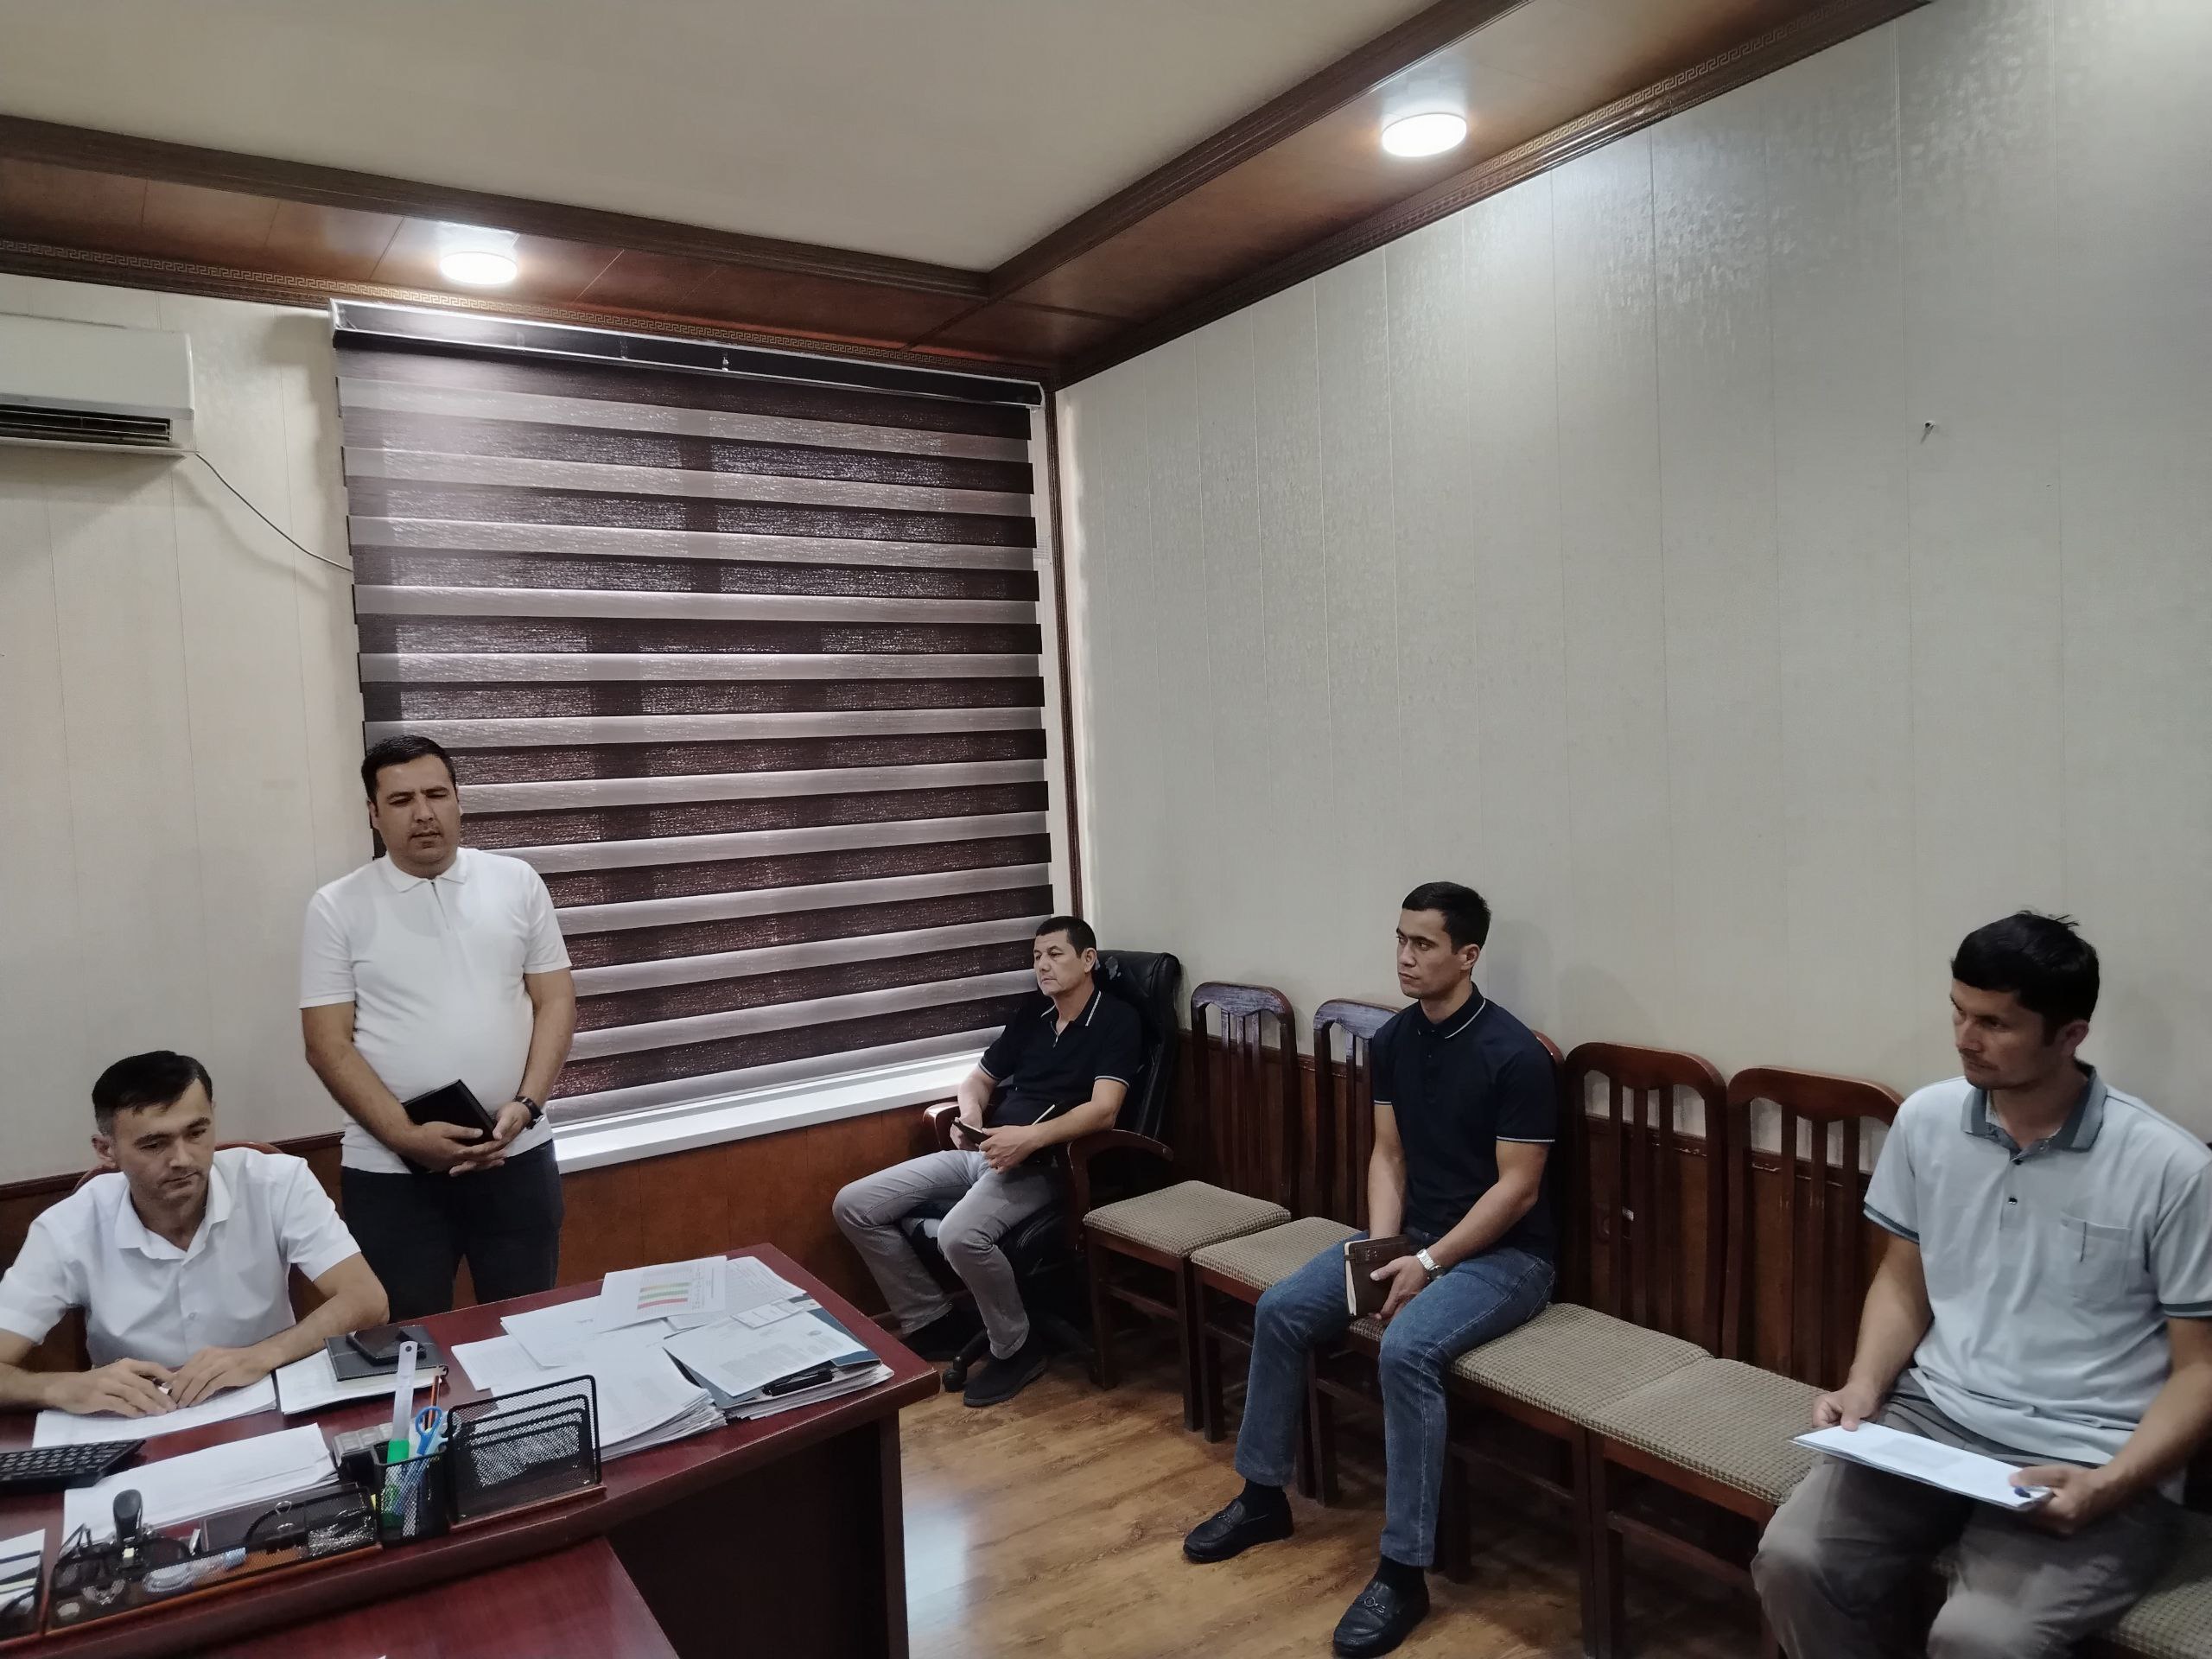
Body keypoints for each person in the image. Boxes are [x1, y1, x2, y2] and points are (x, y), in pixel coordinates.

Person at [1753, 912, 2212, 1659]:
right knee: (1794, 1561)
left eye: (1994, 1023)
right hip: (1935, 1418)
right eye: (1959, 1013)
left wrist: (2113, 1484)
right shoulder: (1927, 1120)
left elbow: (2202, 1370)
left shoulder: (2171, 1168)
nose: (1965, 1038)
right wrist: (1865, 1385)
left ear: (2070, 1035)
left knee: (1980, 1639)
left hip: (2091, 1447)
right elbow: (1905, 1276)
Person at [1182, 881, 1557, 1659]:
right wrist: (1383, 1253)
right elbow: (1388, 1157)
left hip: (1507, 1258)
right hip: (1413, 1236)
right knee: (1282, 1308)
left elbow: (1518, 1190)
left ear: (1468, 955)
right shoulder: (1393, 1041)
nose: (1405, 957)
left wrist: (1430, 1261)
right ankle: (1262, 1497)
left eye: (1424, 944)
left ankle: (1403, 1571)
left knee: (1406, 1351)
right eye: (1400, 939)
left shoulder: (1515, 1055)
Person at [300, 734, 576, 1319]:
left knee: (529, 1330)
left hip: (516, 1154)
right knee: (410, 1344)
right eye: (401, 801)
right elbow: (327, 1045)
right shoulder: (337, 906)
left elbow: (555, 1001)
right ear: (374, 814)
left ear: (458, 800)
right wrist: (406, 1138)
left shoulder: (517, 882)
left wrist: (527, 1105)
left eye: (436, 794)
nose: (423, 814)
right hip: (393, 1175)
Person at [834, 916, 1141, 1408]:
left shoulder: (1117, 1021)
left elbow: (1104, 1110)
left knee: (959, 1235)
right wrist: (970, 1118)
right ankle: (932, 1322)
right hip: (987, 1151)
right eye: (1037, 956)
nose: (1043, 965)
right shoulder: (1034, 1014)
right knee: (855, 1205)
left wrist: (1029, 1139)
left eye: (1055, 954)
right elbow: (977, 1080)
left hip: (1050, 1166)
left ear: (1088, 960)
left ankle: (1016, 1347)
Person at [0, 1052, 387, 1416]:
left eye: (197, 1132)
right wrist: (59, 1388)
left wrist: (261, 1356)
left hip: (269, 1402)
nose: (182, 1159)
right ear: (106, 1150)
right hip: (139, 1422)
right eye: (154, 1144)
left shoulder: (275, 1182)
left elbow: (367, 1299)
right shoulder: (67, 1227)